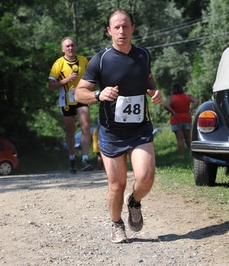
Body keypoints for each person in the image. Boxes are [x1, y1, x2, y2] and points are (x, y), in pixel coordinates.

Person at [75, 8, 163, 243]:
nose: (121, 31)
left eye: (125, 26)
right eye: (116, 27)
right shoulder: (100, 59)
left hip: (140, 128)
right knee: (117, 185)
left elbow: (148, 79)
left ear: (132, 28)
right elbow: (79, 93)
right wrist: (98, 94)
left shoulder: (143, 55)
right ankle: (116, 224)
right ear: (109, 31)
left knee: (145, 178)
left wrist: (154, 92)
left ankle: (134, 202)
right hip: (111, 132)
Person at [48, 37, 93, 174]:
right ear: (63, 49)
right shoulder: (58, 64)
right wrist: (66, 80)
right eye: (67, 46)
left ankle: (85, 159)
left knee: (86, 126)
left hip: (82, 96)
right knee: (70, 130)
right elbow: (51, 86)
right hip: (66, 99)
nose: (70, 48)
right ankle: (72, 159)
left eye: (72, 45)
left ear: (76, 47)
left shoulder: (84, 60)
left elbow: (94, 75)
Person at [163, 82, 199, 158]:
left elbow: (165, 105)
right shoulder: (187, 96)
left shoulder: (171, 98)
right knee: (188, 138)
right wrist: (190, 109)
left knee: (180, 138)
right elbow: (196, 101)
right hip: (186, 118)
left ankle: (182, 155)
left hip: (176, 119)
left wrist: (172, 111)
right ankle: (194, 153)